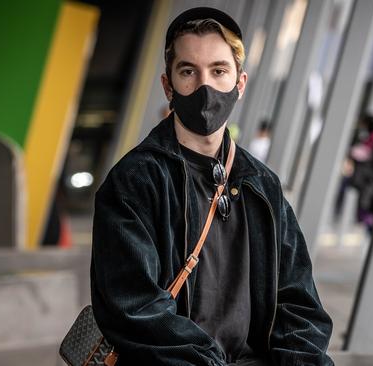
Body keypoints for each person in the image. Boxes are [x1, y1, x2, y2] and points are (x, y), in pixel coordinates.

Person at [90, 7, 333, 365]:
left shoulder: (262, 184)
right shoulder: (134, 182)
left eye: (218, 70)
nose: (204, 86)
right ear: (167, 85)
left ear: (240, 83)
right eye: (188, 71)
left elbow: (298, 301)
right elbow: (135, 307)